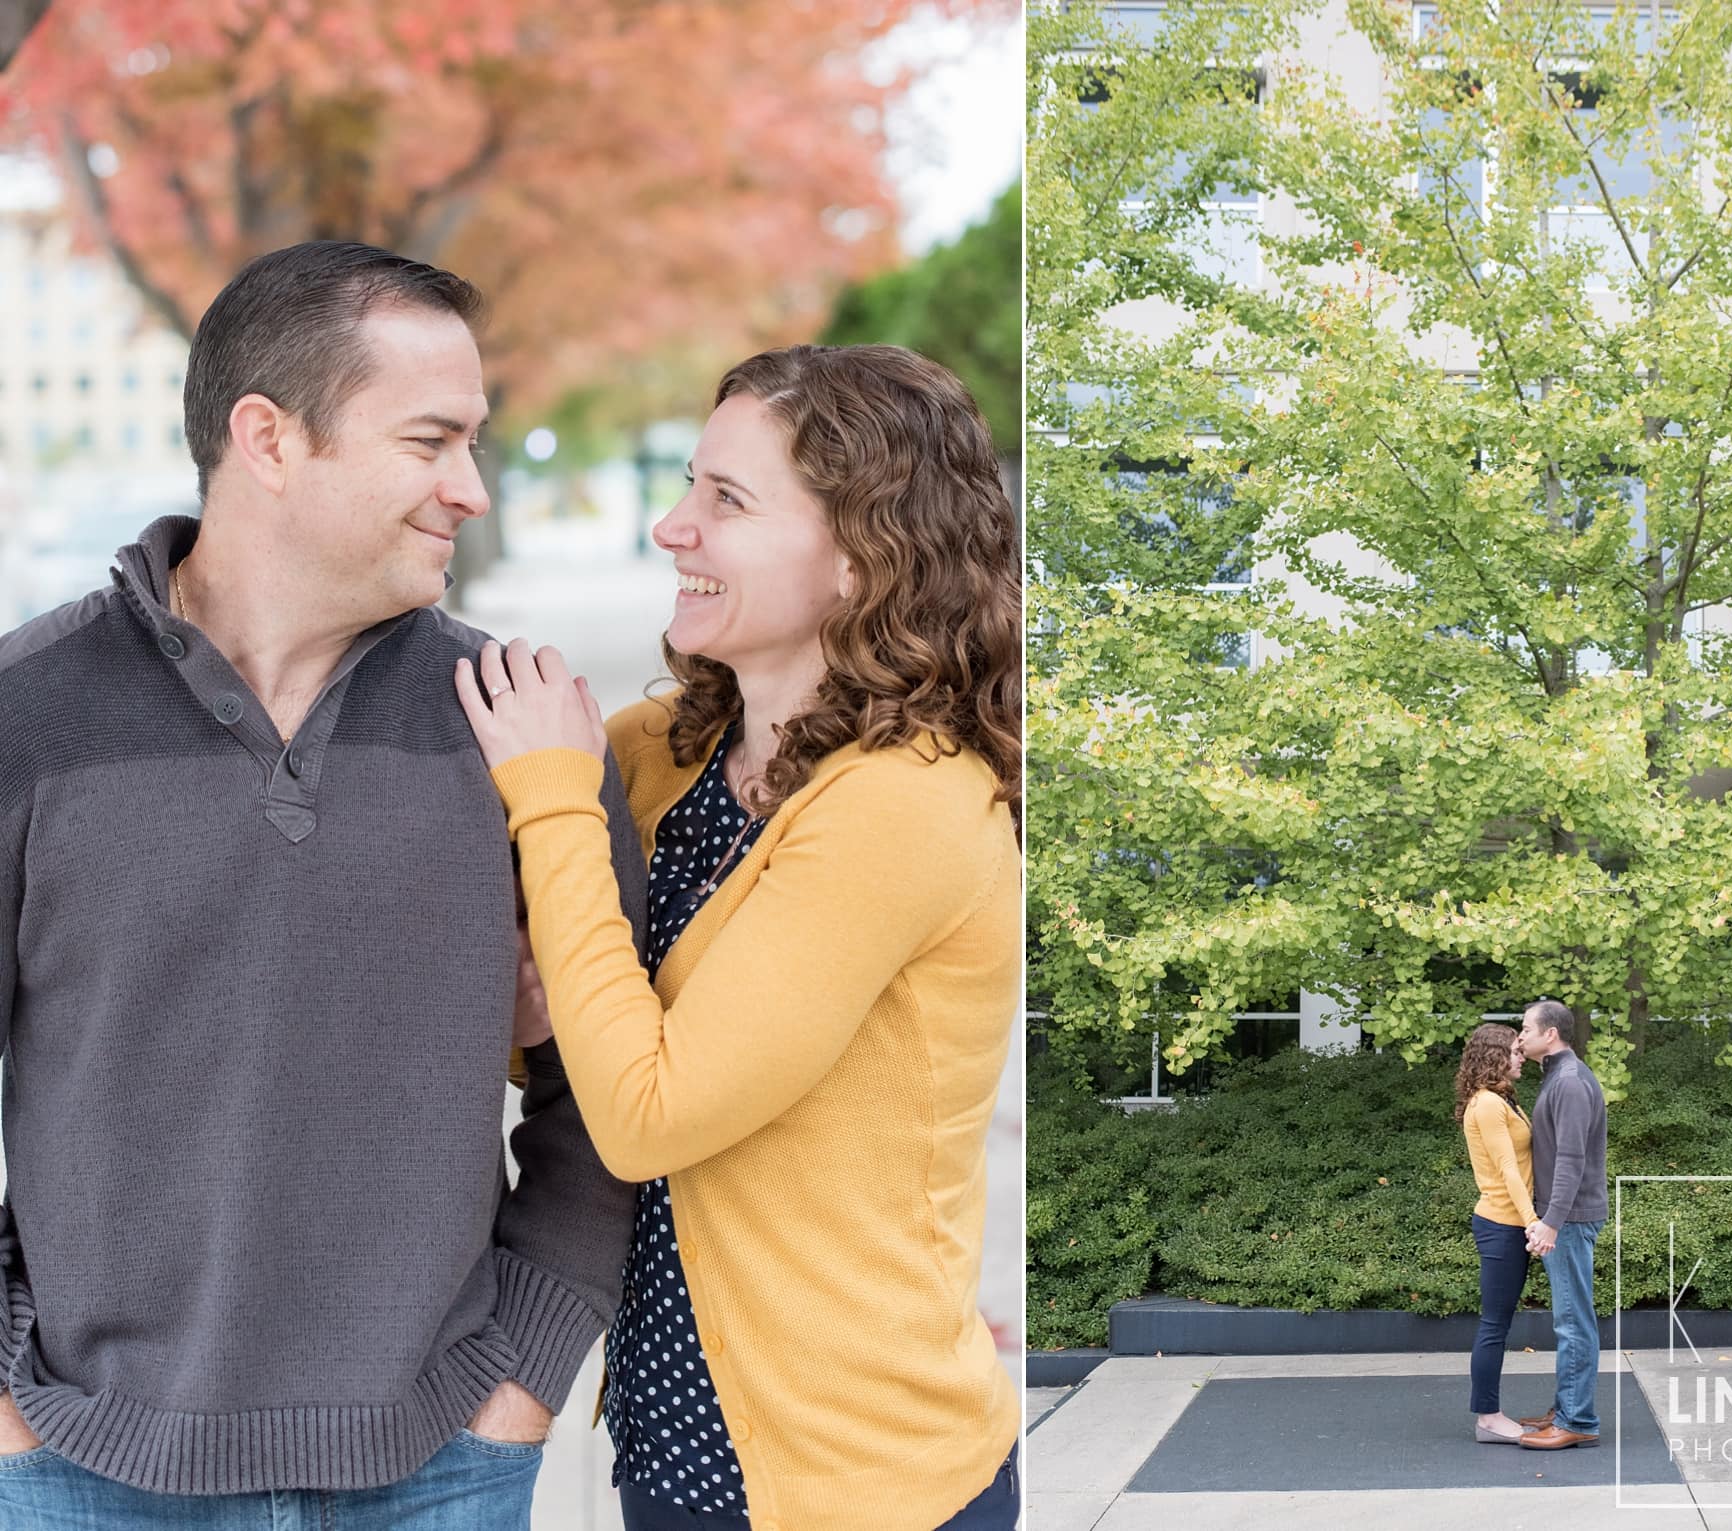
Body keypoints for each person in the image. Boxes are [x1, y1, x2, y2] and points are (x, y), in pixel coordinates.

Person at [0, 241, 643, 1527]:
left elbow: (614, 1080)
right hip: (82, 1467)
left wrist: (521, 1375)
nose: (471, 487)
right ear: (269, 439)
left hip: (440, 1463)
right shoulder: (28, 716)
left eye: (476, 442)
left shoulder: (522, 729)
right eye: (430, 440)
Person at [456, 343, 1022, 1531]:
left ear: (862, 554)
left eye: (725, 499)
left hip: (855, 1482)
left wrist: (551, 798)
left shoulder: (905, 802)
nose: (673, 528)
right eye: (684, 486)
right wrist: (529, 1024)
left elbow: (651, 1110)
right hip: (670, 1444)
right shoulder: (662, 752)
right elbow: (581, 1024)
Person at [1515, 998, 1609, 1450]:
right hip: (1565, 1217)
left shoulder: (1569, 1082)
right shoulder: (1559, 1077)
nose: (1520, 1036)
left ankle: (1578, 1421)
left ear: (1550, 1034)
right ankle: (1567, 1408)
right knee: (1571, 1319)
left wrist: (1551, 1222)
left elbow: (1572, 1160)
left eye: (1526, 1029)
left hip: (1569, 1219)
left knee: (1573, 1322)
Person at [1456, 1021, 1536, 1443]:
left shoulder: (1502, 1100)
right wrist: (1533, 1222)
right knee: (1494, 1325)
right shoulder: (1487, 1104)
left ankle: (1489, 1415)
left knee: (1498, 1323)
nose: (1521, 1056)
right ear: (1495, 1055)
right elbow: (1508, 1170)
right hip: (1502, 1224)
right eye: (1515, 1050)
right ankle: (1487, 1417)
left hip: (1510, 1223)